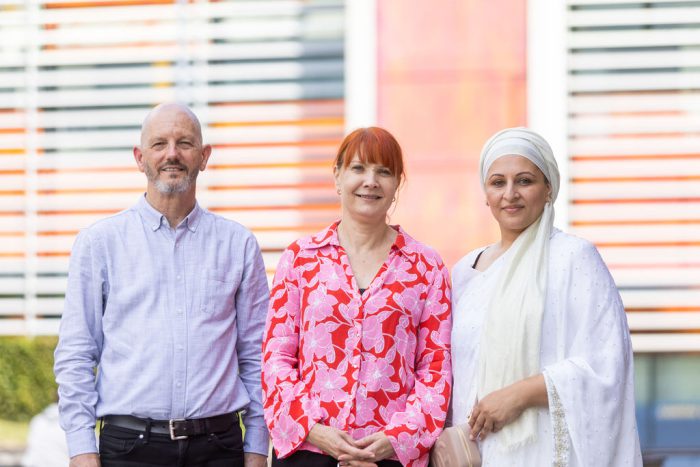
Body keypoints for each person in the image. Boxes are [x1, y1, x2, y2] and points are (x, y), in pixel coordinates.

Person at [54, 103, 270, 467]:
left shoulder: (238, 245)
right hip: (128, 451)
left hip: (219, 449)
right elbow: (76, 354)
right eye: (159, 144)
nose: (172, 153)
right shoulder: (99, 243)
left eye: (185, 143)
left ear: (204, 157)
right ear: (140, 158)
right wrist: (81, 449)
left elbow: (257, 357)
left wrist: (257, 448)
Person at [450, 127, 642, 466]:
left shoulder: (574, 258)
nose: (510, 194)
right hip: (476, 453)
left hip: (542, 450)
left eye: (525, 181)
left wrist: (518, 395)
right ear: (486, 193)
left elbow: (605, 364)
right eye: (498, 183)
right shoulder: (464, 272)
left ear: (549, 188)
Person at [261, 127, 452, 467]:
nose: (371, 181)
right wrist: (314, 430)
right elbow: (276, 359)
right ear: (337, 176)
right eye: (359, 168)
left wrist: (394, 440)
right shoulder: (300, 258)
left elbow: (435, 370)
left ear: (397, 186)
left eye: (384, 171)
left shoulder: (426, 267)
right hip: (310, 452)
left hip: (391, 457)